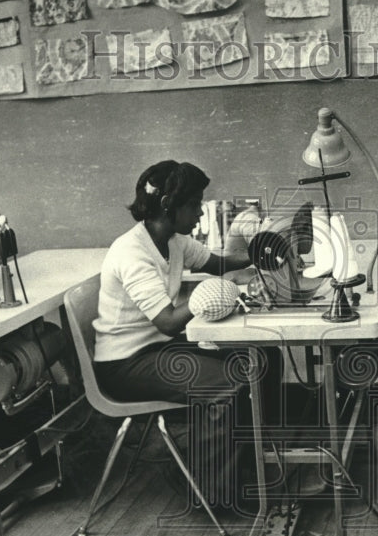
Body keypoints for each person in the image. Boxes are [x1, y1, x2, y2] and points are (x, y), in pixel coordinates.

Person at [93, 160, 284, 511]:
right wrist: (211, 294)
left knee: (262, 357)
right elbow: (167, 320)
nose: (199, 212)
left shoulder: (174, 240)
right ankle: (208, 488)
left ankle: (253, 461)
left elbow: (220, 263)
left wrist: (266, 251)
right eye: (194, 204)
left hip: (157, 349)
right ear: (169, 205)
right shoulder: (132, 251)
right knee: (226, 384)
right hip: (125, 364)